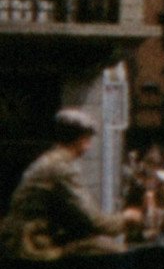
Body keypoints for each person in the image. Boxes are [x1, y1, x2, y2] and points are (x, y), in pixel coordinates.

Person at [1, 109, 139, 259]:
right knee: (109, 251)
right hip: (32, 245)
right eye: (88, 138)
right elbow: (93, 220)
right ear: (82, 140)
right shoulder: (61, 168)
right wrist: (127, 219)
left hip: (23, 239)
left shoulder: (50, 160)